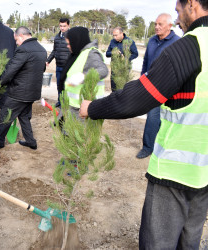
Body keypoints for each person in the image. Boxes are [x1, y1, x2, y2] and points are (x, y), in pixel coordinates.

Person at [79, 0, 208, 248]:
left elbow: (135, 100)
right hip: (203, 174)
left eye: (179, 10)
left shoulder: (189, 48)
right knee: (189, 241)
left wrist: (92, 108)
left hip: (174, 174)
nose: (177, 17)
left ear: (192, 4)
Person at [0, 27, 47, 149]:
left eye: (16, 40)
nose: (16, 43)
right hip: (33, 92)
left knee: (6, 115)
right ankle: (31, 141)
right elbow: (41, 69)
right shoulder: (41, 49)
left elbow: (10, 71)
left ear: (22, 36)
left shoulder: (23, 49)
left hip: (19, 92)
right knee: (24, 116)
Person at [136, 13, 180, 159]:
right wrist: (142, 78)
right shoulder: (152, 41)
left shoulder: (177, 42)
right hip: (151, 87)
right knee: (152, 116)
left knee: (164, 118)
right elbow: (146, 61)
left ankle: (161, 147)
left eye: (160, 24)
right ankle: (148, 147)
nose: (156, 27)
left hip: (168, 87)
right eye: (155, 24)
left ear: (170, 26)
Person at [60, 27, 108, 120]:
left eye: (69, 44)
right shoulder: (78, 54)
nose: (68, 46)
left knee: (75, 134)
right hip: (72, 106)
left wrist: (83, 76)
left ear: (76, 41)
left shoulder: (91, 53)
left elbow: (103, 70)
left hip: (82, 109)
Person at [46, 18, 70, 107]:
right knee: (59, 85)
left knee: (67, 86)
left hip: (68, 66)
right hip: (58, 65)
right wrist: (48, 60)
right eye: (60, 26)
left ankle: (66, 103)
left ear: (68, 26)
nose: (62, 28)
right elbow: (54, 50)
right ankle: (60, 102)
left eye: (64, 26)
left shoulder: (71, 36)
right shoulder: (57, 37)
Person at [106, 27, 138, 91]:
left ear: (121, 34)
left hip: (124, 70)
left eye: (116, 35)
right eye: (113, 35)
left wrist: (126, 59)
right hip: (114, 70)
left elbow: (135, 54)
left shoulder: (129, 42)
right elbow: (107, 54)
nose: (114, 37)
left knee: (122, 90)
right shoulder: (112, 42)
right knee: (114, 90)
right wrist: (113, 52)